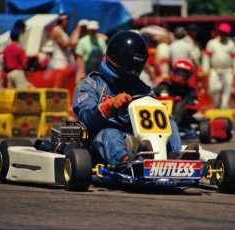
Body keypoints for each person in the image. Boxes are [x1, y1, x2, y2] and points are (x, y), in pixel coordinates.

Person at [73, 31, 183, 165]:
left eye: (138, 64)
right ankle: (127, 161)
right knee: (109, 133)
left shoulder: (142, 88)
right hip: (102, 141)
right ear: (118, 58)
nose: (135, 69)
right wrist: (110, 105)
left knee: (170, 123)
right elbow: (86, 117)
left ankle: (175, 157)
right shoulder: (91, 84)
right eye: (131, 63)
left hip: (138, 138)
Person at [202, 23, 235, 109]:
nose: (222, 34)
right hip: (214, 70)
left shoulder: (231, 44)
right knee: (213, 88)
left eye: (224, 32)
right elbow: (206, 57)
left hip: (227, 70)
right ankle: (217, 104)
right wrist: (205, 68)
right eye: (221, 32)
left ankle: (224, 105)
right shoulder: (212, 43)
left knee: (227, 88)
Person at [154, 58, 199, 127]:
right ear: (174, 73)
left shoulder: (190, 91)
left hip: (181, 121)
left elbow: (193, 106)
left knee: (179, 104)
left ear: (188, 77)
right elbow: (149, 95)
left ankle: (172, 124)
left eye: (183, 76)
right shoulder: (163, 86)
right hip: (157, 116)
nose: (180, 77)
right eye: (178, 74)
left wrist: (179, 103)